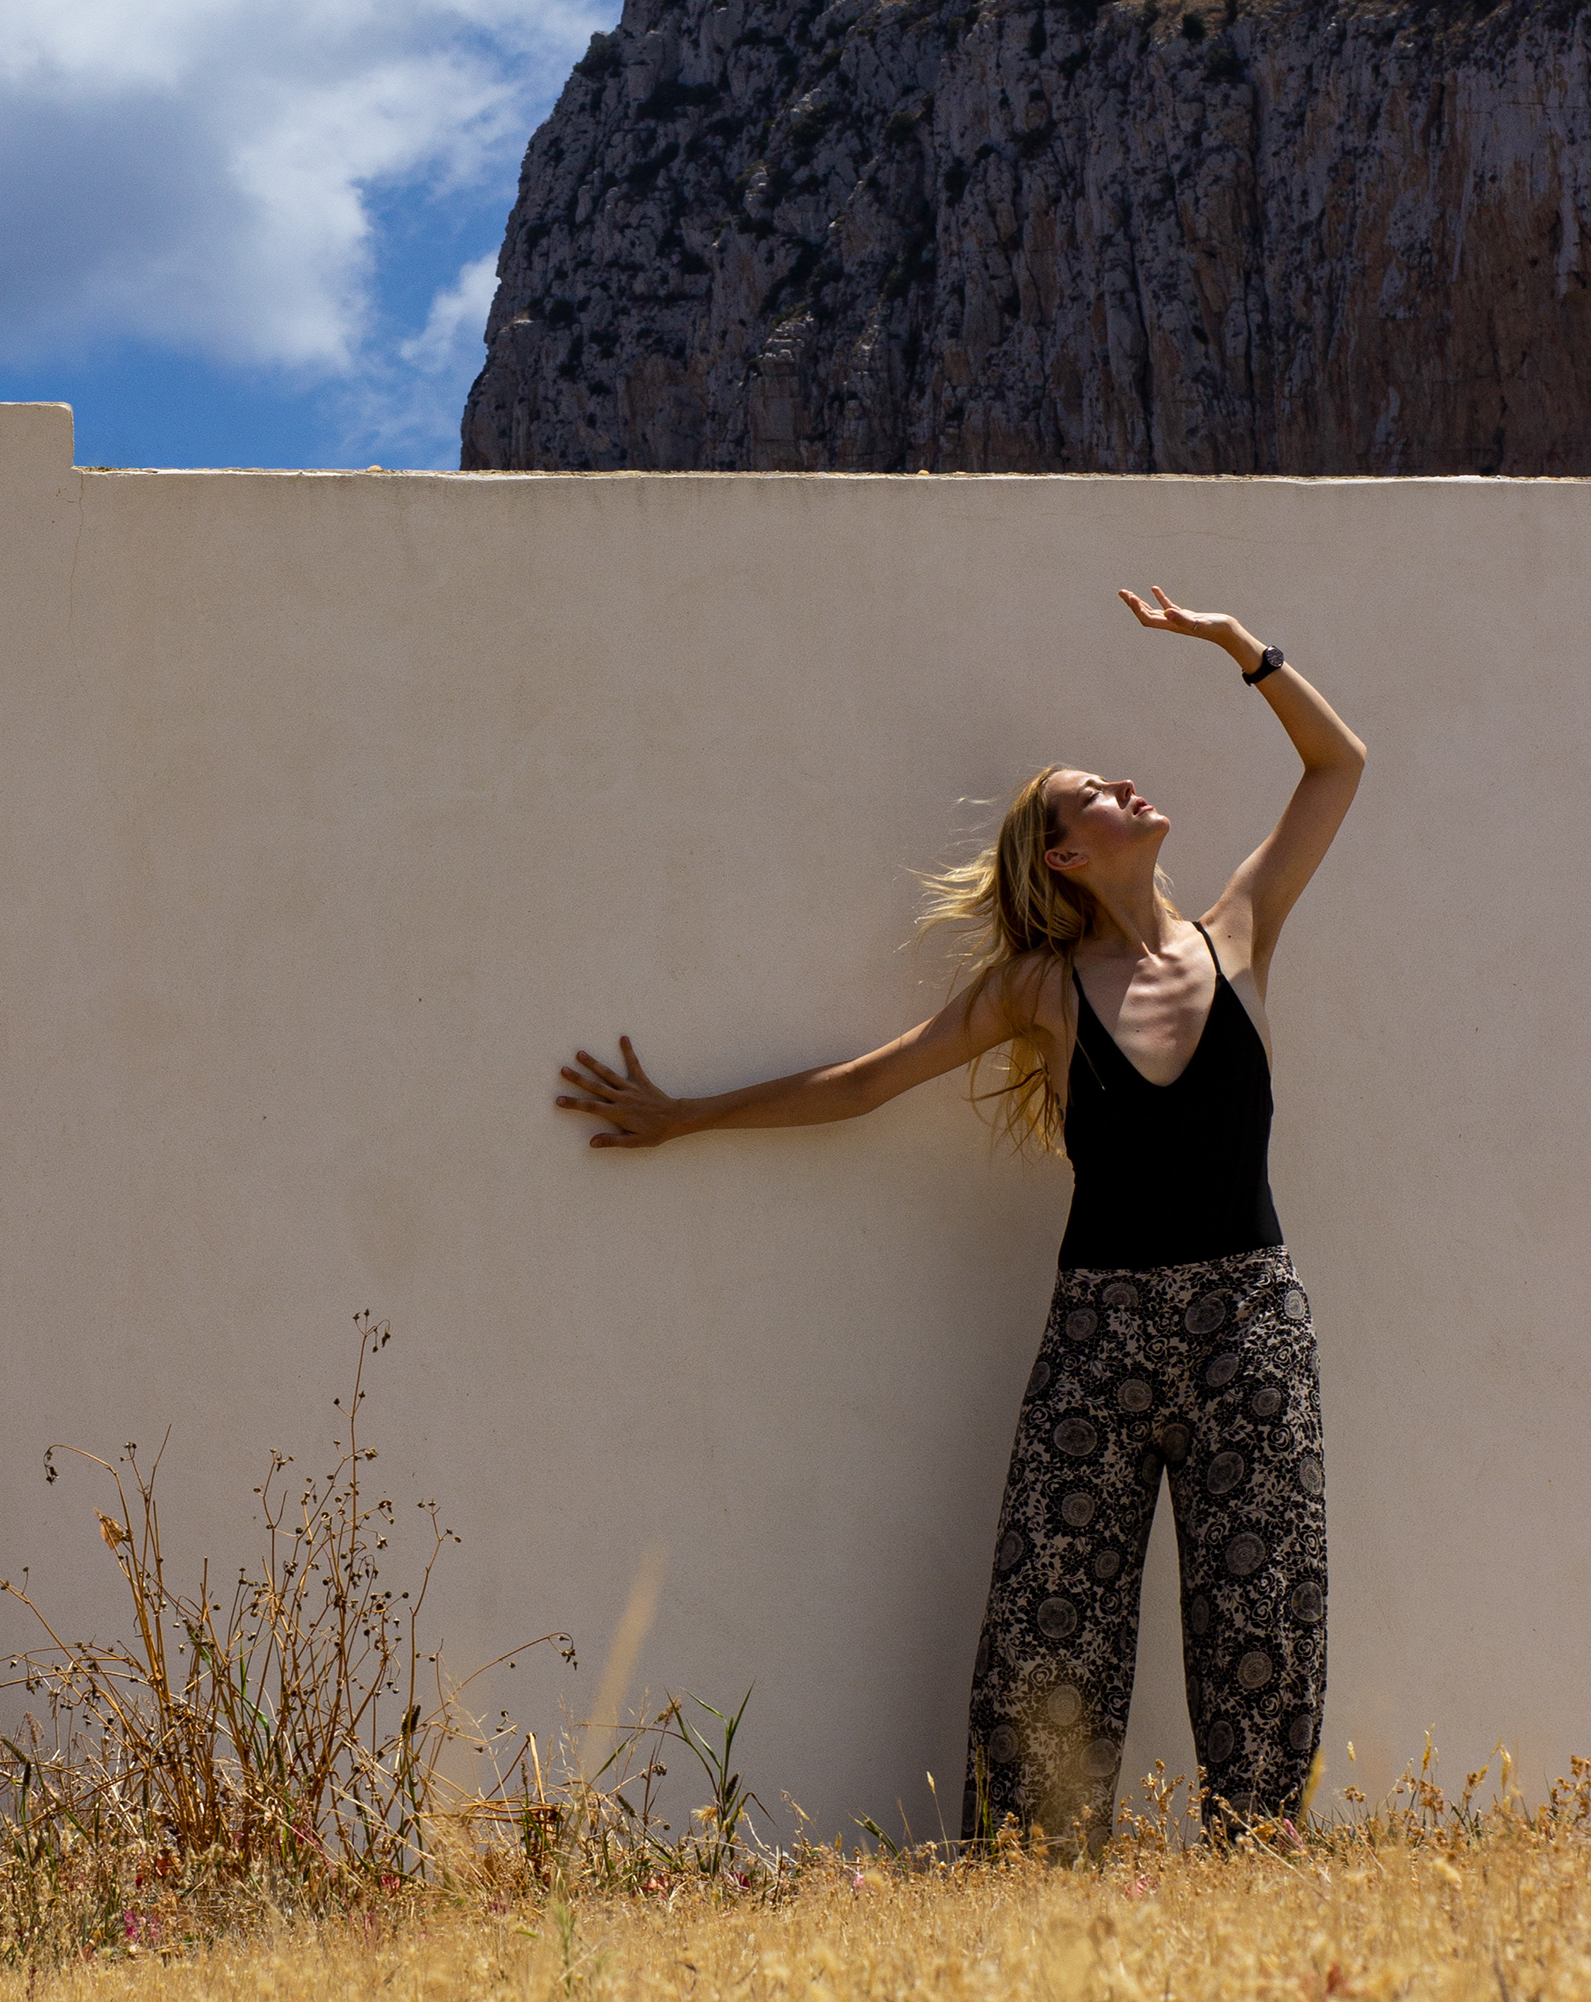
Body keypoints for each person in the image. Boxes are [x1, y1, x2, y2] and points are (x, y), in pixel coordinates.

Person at [555, 586, 1366, 1851]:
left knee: (1263, 1610)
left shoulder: (1238, 935)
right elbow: (864, 1083)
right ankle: (1037, 1869)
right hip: (1098, 1330)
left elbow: (1337, 765)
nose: (1125, 786)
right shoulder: (1042, 988)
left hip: (1248, 1323)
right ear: (1065, 857)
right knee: (1051, 1615)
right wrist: (687, 1113)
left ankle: (1261, 1858)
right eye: (1091, 794)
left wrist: (1236, 645)